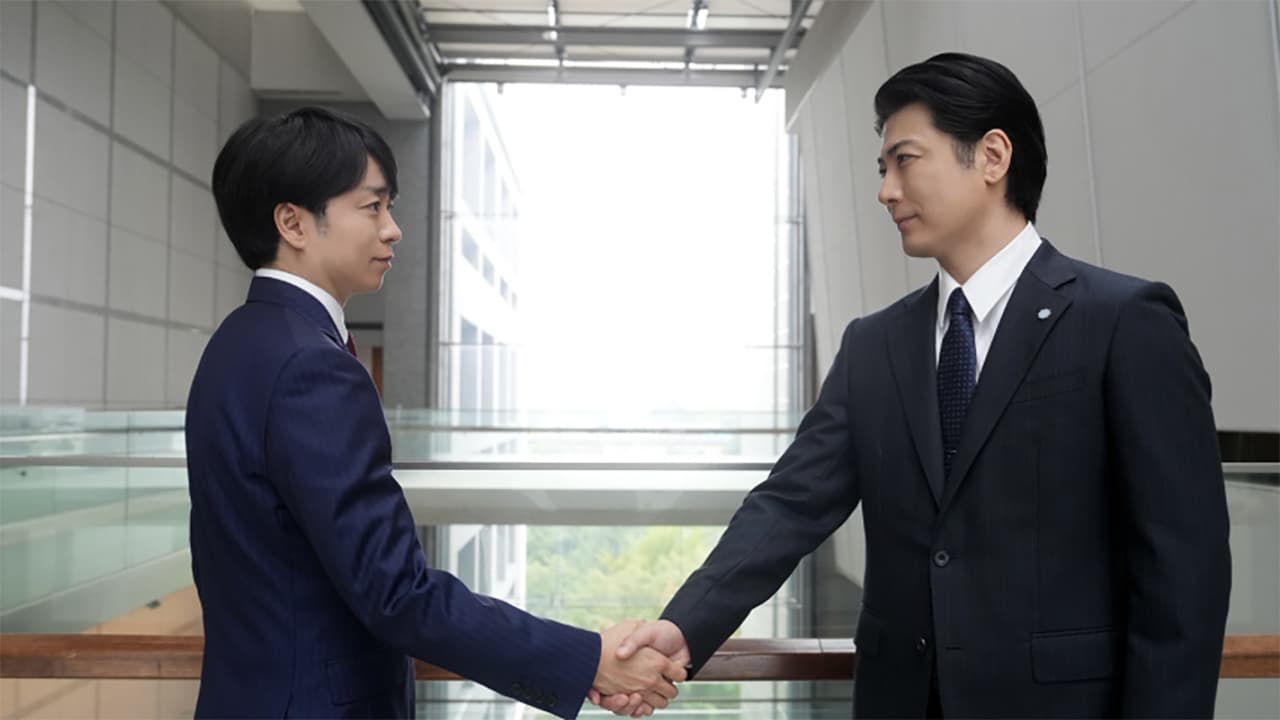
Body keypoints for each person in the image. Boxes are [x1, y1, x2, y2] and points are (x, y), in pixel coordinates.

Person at [593, 52, 1231, 718]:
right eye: (881, 169)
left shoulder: (1124, 321)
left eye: (905, 160)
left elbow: (1184, 566)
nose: (886, 191)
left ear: (992, 156)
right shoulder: (874, 345)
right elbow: (790, 505)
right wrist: (683, 627)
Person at [186, 106, 685, 719]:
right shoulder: (312, 367)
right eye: (372, 207)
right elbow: (396, 591)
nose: (393, 230)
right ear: (293, 222)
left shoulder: (236, 343)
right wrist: (589, 659)